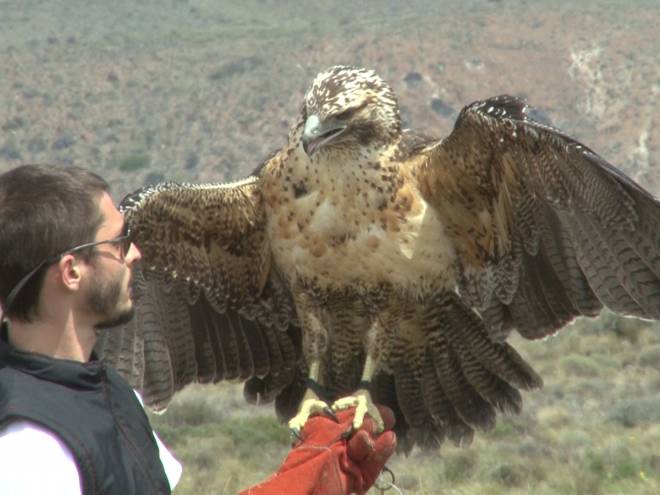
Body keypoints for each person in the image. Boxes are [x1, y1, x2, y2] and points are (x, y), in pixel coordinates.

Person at [0, 164, 396, 495]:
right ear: (71, 271)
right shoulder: (29, 450)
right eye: (119, 243)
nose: (136, 253)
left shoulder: (108, 391)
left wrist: (305, 482)